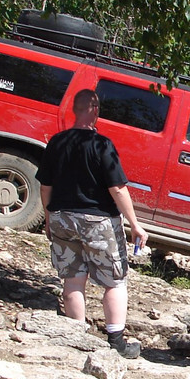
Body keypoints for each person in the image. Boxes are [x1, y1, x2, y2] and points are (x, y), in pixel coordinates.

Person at [38, 89, 148, 356]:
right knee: (115, 281)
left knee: (73, 279)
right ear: (96, 110)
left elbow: (45, 185)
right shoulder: (102, 145)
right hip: (98, 221)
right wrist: (134, 224)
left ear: (74, 110)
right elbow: (118, 189)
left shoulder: (57, 142)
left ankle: (75, 337)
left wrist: (49, 217)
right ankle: (116, 342)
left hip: (63, 217)